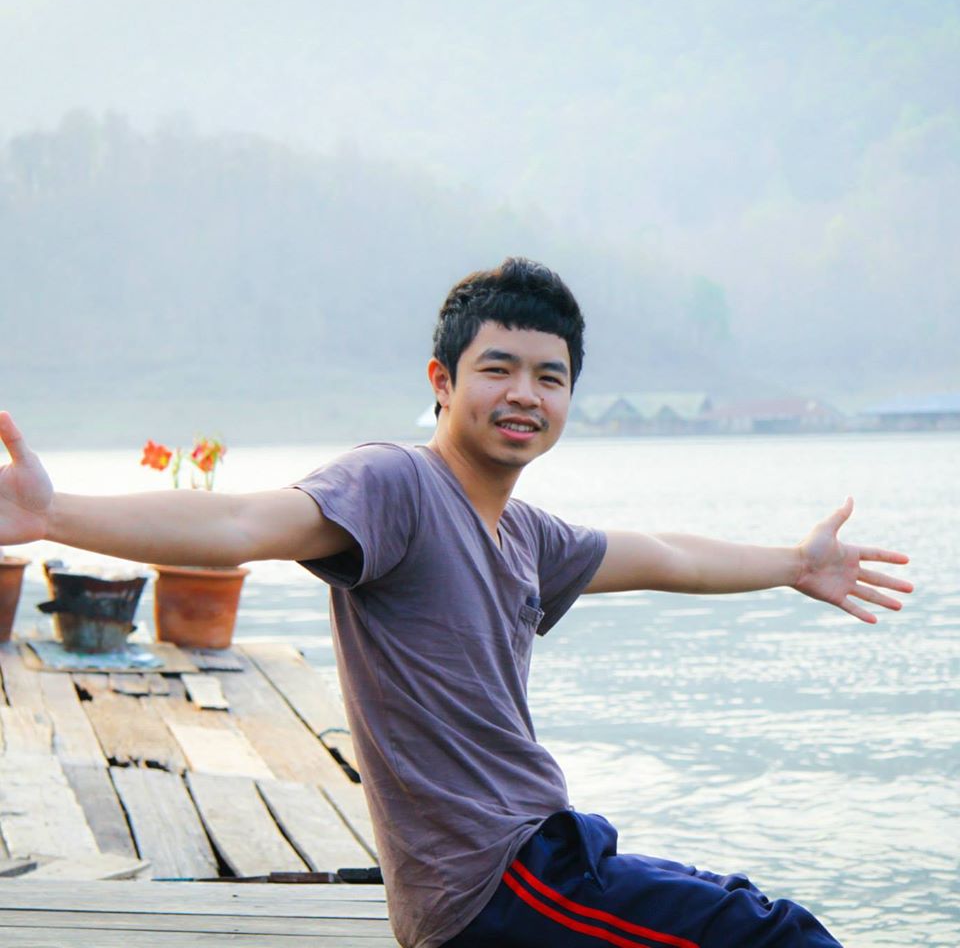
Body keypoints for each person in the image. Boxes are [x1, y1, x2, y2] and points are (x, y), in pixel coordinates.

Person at [0, 257, 911, 948]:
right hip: (492, 883)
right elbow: (242, 522)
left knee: (749, 909)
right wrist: (52, 512)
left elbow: (663, 553)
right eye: (497, 368)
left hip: (549, 852)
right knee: (775, 939)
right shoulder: (395, 486)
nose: (524, 395)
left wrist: (794, 563)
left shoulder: (526, 536)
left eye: (549, 377)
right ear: (441, 382)